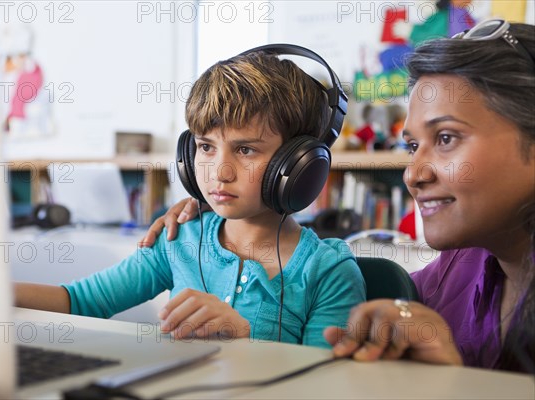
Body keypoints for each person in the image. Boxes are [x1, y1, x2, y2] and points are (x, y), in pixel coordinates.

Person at [144, 20, 535, 373]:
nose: (413, 175)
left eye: (446, 138)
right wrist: (220, 213)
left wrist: (452, 385)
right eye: (413, 146)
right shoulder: (452, 274)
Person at [15, 48, 366, 348]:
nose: (220, 172)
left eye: (245, 149)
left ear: (299, 165)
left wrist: (243, 341)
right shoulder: (180, 238)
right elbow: (80, 301)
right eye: (205, 147)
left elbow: (327, 386)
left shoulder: (328, 272)